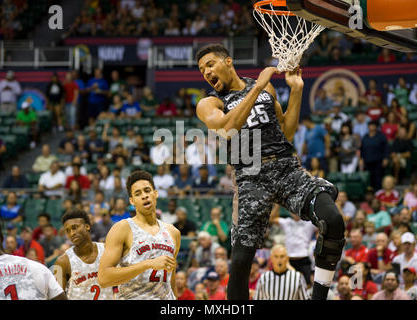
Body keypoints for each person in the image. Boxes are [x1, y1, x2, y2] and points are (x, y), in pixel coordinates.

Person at [196, 44, 345, 300]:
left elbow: (286, 132)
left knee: (332, 220)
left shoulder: (265, 87)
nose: (206, 72)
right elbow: (227, 129)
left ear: (228, 61)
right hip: (250, 176)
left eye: (210, 64)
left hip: (287, 167)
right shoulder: (210, 102)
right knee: (241, 260)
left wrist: (297, 91)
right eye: (202, 70)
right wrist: (255, 89)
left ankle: (319, 297)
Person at [98, 170, 181, 300]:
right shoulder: (122, 228)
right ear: (132, 201)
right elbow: (103, 278)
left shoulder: (173, 232)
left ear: (155, 193)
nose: (144, 196)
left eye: (147, 191)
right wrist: (147, 264)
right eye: (138, 194)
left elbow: (172, 280)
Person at [0, 217, 66, 300]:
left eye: (27, 233)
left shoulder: (36, 246)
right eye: (23, 233)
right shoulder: (38, 267)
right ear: (2, 238)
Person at [53, 210, 115, 299]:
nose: (72, 233)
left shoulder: (106, 250)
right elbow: (57, 296)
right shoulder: (62, 261)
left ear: (87, 226)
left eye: (74, 227)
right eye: (68, 230)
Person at [270, 209, 317, 286]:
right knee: (285, 284)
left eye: (297, 211)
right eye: (293, 211)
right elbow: (272, 219)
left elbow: (322, 225)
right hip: (288, 260)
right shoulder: (286, 222)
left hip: (303, 259)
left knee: (308, 285)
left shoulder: (309, 223)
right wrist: (277, 206)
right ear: (290, 212)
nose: (295, 213)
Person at [359, 120, 390, 190]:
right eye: (370, 125)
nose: (371, 127)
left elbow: (386, 148)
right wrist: (361, 159)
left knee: (378, 178)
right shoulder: (365, 137)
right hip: (367, 161)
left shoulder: (381, 136)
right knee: (369, 178)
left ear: (376, 127)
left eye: (373, 125)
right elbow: (362, 149)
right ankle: (371, 192)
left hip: (378, 161)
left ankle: (379, 191)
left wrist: (386, 158)